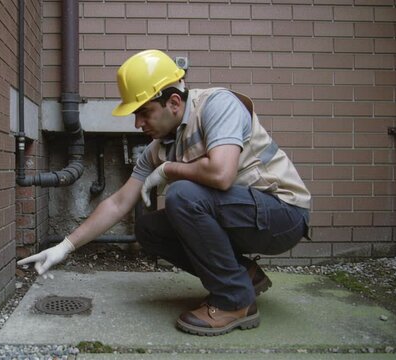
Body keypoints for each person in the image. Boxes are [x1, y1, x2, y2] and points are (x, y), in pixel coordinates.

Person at [18, 49, 311, 336]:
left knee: (181, 195)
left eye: (144, 112)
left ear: (173, 102)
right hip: (243, 215)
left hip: (283, 215)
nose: (137, 124)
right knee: (150, 228)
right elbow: (119, 202)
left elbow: (222, 175)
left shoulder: (218, 105)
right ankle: (244, 277)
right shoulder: (158, 149)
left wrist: (169, 170)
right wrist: (65, 247)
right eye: (135, 115)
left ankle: (235, 302)